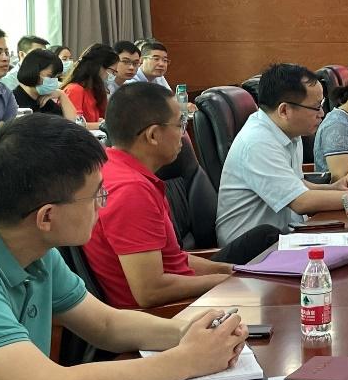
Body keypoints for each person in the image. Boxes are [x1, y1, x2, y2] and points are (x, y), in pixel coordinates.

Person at [0, 112, 247, 380]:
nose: (101, 205)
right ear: (47, 217)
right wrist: (187, 360)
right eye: (95, 195)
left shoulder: (32, 247)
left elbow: (105, 325)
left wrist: (190, 332)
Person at [84, 84, 279, 309]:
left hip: (184, 293)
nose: (184, 133)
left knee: (265, 244)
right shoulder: (131, 191)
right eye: (180, 124)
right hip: (169, 313)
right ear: (153, 135)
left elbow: (174, 260)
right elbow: (150, 291)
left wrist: (231, 271)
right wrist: (231, 281)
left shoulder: (114, 166)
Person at [215, 63, 348, 246]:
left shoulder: (289, 132)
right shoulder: (257, 142)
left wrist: (333, 188)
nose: (322, 113)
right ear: (284, 110)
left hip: (285, 236)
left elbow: (295, 184)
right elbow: (301, 202)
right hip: (252, 250)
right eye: (316, 107)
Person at [12, 49, 79, 122]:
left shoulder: (45, 100)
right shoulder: (13, 101)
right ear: (34, 72)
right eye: (50, 76)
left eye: (56, 77)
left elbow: (73, 123)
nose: (54, 80)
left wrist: (62, 95)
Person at [62, 44, 117, 126]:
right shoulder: (75, 89)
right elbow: (76, 125)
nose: (113, 75)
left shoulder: (95, 90)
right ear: (99, 67)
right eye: (112, 71)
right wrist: (101, 125)